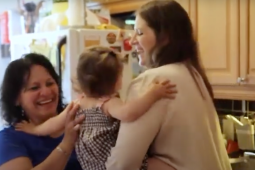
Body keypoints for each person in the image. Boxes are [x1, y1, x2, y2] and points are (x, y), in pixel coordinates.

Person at [106, 1, 232, 170]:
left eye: (139, 32)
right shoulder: (194, 75)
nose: (132, 40)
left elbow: (122, 164)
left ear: (164, 37)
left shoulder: (154, 80)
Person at [15, 46, 177, 170]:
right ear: (117, 81)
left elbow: (53, 123)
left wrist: (34, 130)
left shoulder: (77, 104)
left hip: (91, 166)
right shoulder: (107, 103)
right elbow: (130, 113)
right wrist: (154, 94)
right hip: (110, 162)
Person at [0, 53, 84, 170]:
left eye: (50, 83)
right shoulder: (9, 139)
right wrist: (67, 144)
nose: (46, 92)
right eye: (34, 88)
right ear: (16, 99)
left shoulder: (78, 115)